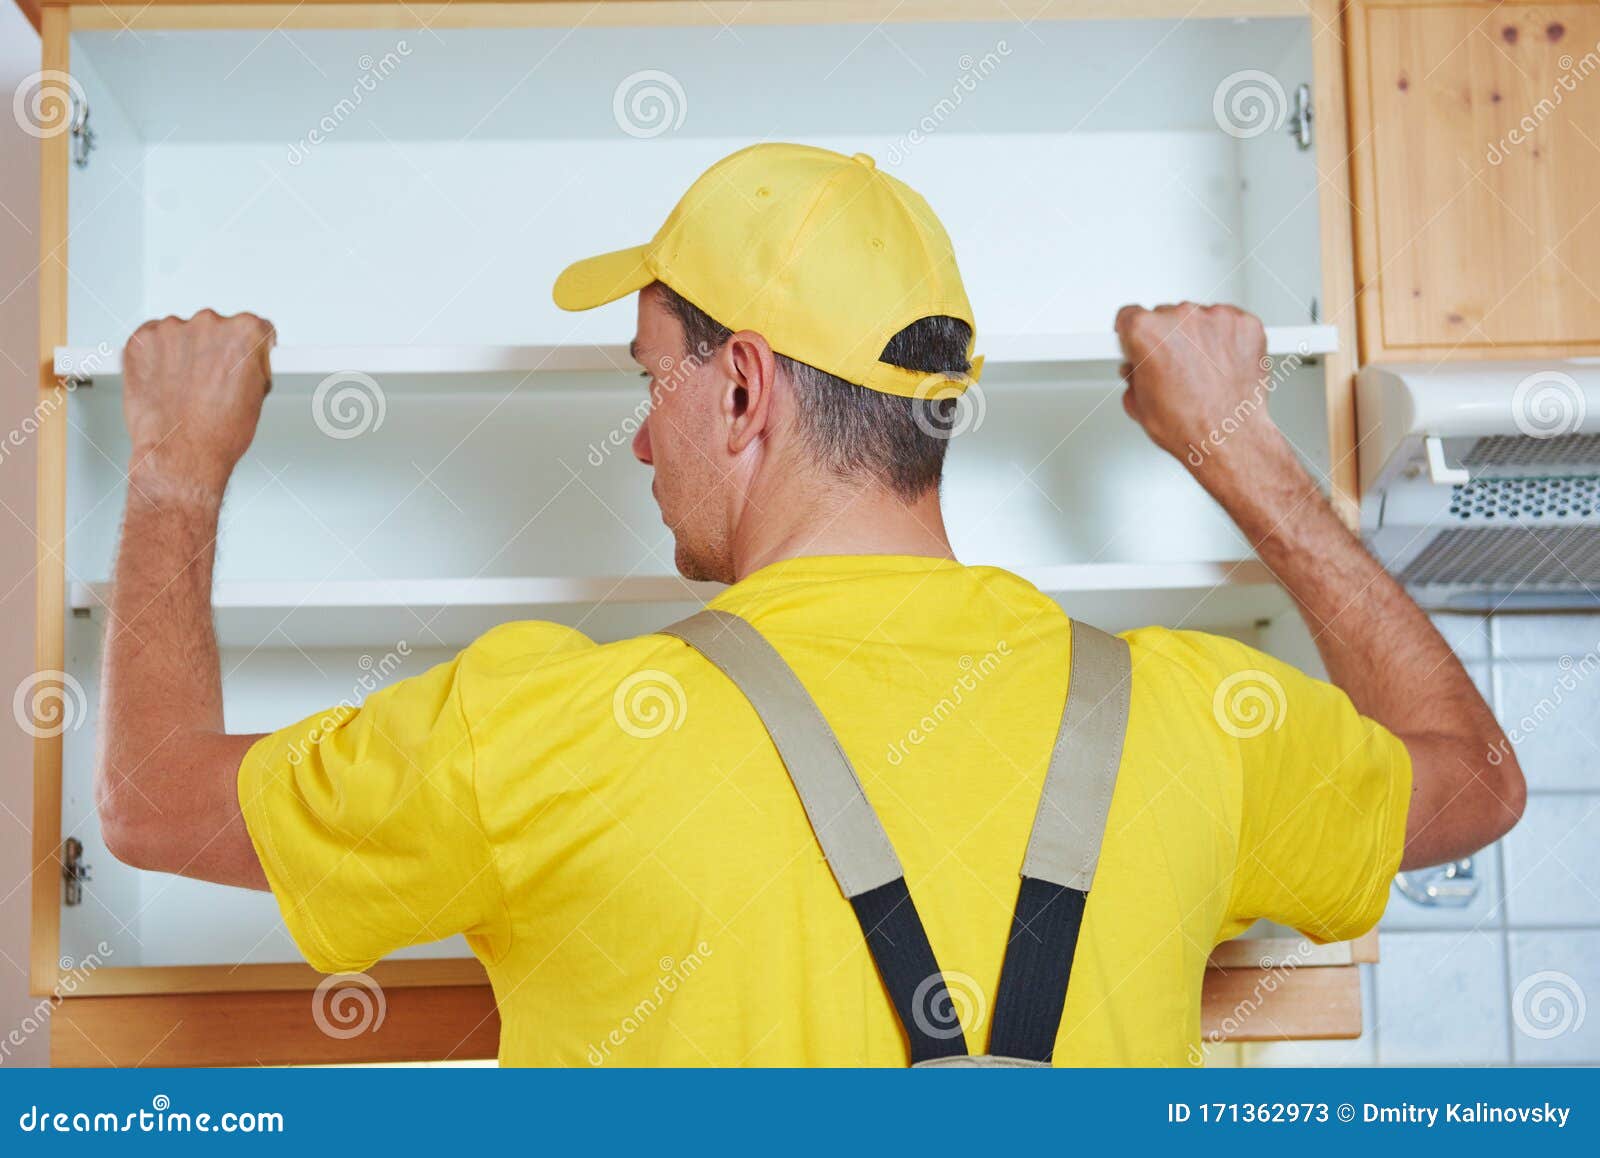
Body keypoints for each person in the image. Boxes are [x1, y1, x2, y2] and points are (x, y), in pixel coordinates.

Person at [96, 143, 1523, 1066]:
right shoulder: (1197, 717)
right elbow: (1477, 778)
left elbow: (153, 800)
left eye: (647, 379)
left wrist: (173, 466)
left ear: (743, 388)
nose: (640, 438)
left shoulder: (540, 732)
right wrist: (1240, 447)